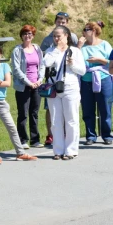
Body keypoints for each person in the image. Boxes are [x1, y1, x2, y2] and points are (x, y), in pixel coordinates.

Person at [0, 44, 38, 165]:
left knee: (11, 126)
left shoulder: (5, 66)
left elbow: (7, 83)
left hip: (2, 102)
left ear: (1, 55)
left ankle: (20, 152)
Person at [43, 26, 86, 160]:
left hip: (70, 87)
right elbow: (46, 63)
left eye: (59, 36)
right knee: (56, 121)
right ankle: (58, 150)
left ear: (66, 35)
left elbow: (82, 71)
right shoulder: (51, 50)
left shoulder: (74, 51)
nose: (56, 39)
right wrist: (57, 50)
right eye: (54, 36)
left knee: (71, 120)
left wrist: (72, 64)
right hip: (54, 88)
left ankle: (71, 150)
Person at [40, 12, 79, 146]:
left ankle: (69, 141)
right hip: (52, 80)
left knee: (70, 115)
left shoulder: (73, 37)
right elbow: (44, 59)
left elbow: (76, 55)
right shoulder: (47, 39)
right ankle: (52, 136)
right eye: (59, 21)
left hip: (69, 81)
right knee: (52, 112)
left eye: (64, 22)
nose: (61, 24)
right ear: (55, 22)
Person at [77, 21, 113, 145]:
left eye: (86, 29)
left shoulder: (105, 44)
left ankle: (107, 135)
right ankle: (91, 136)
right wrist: (79, 46)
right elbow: (74, 60)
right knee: (87, 109)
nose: (83, 32)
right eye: (84, 29)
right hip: (86, 79)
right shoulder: (81, 46)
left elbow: (112, 62)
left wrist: (99, 60)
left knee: (105, 108)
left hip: (103, 78)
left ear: (93, 31)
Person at [11, 25, 45, 148]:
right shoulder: (17, 50)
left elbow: (42, 65)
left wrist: (40, 79)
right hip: (23, 86)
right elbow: (16, 69)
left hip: (36, 85)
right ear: (21, 36)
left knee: (34, 113)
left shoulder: (37, 48)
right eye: (25, 33)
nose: (27, 36)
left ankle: (35, 140)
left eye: (29, 33)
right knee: (23, 114)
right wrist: (28, 82)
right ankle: (23, 140)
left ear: (33, 35)